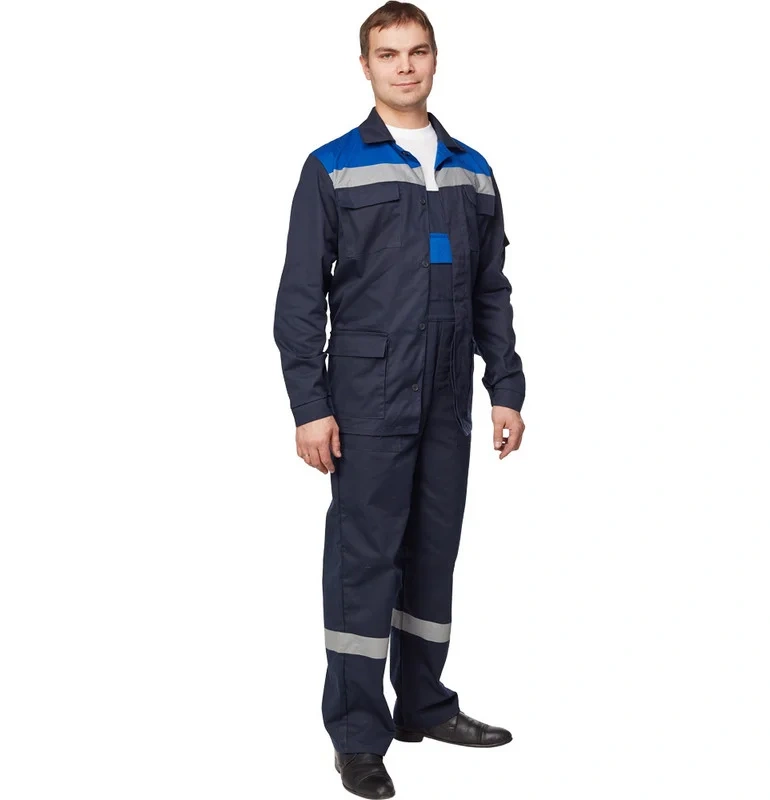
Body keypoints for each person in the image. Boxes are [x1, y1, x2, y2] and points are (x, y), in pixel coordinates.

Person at [273, 3, 526, 797]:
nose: (405, 66)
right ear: (366, 66)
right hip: (366, 400)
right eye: (388, 54)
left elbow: (491, 289)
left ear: (435, 59)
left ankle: (423, 703)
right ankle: (357, 737)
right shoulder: (332, 165)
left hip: (447, 397)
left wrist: (506, 388)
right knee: (364, 563)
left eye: (417, 51)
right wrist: (309, 405)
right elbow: (299, 298)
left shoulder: (471, 169)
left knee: (432, 553)